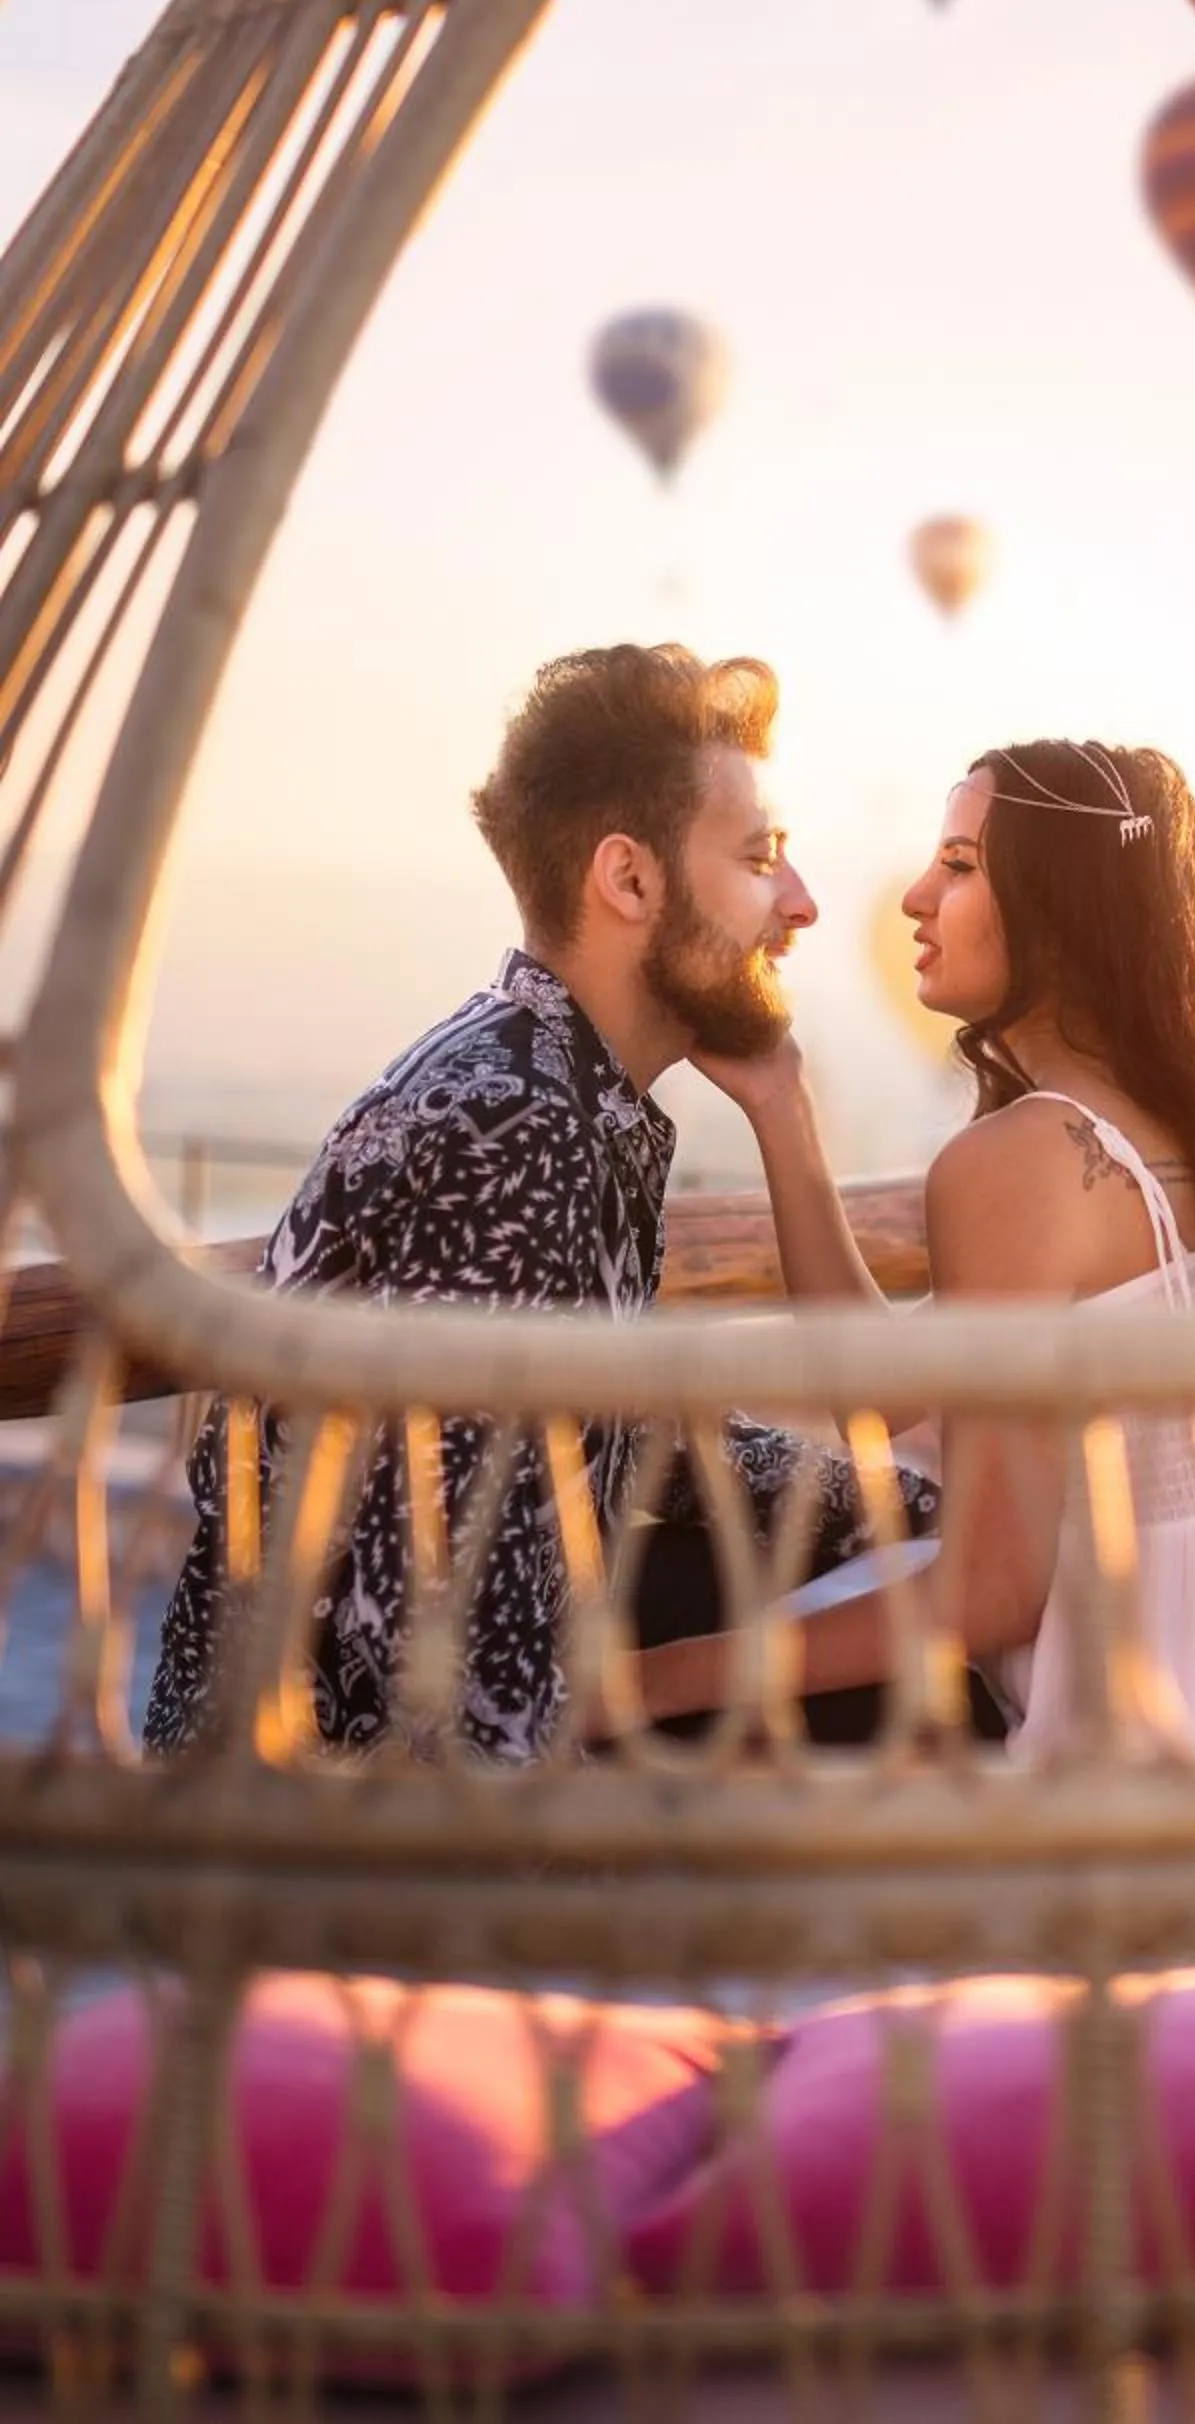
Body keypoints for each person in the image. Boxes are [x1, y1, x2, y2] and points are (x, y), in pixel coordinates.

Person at [141, 642, 951, 1763]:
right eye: (761, 858)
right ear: (628, 881)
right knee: (920, 1687)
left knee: (911, 1582)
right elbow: (443, 1622)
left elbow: (617, 1434)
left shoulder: (558, 1086)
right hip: (331, 1820)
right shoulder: (517, 1132)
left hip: (392, 1734)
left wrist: (905, 1510)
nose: (802, 903)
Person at [622, 738, 1195, 1757]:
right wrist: (781, 1109)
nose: (916, 898)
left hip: (1172, 1748)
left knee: (673, 1617)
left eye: (962, 866)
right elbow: (888, 1395)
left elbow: (989, 1596)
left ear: (1060, 914)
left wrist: (634, 1683)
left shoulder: (1020, 1161)